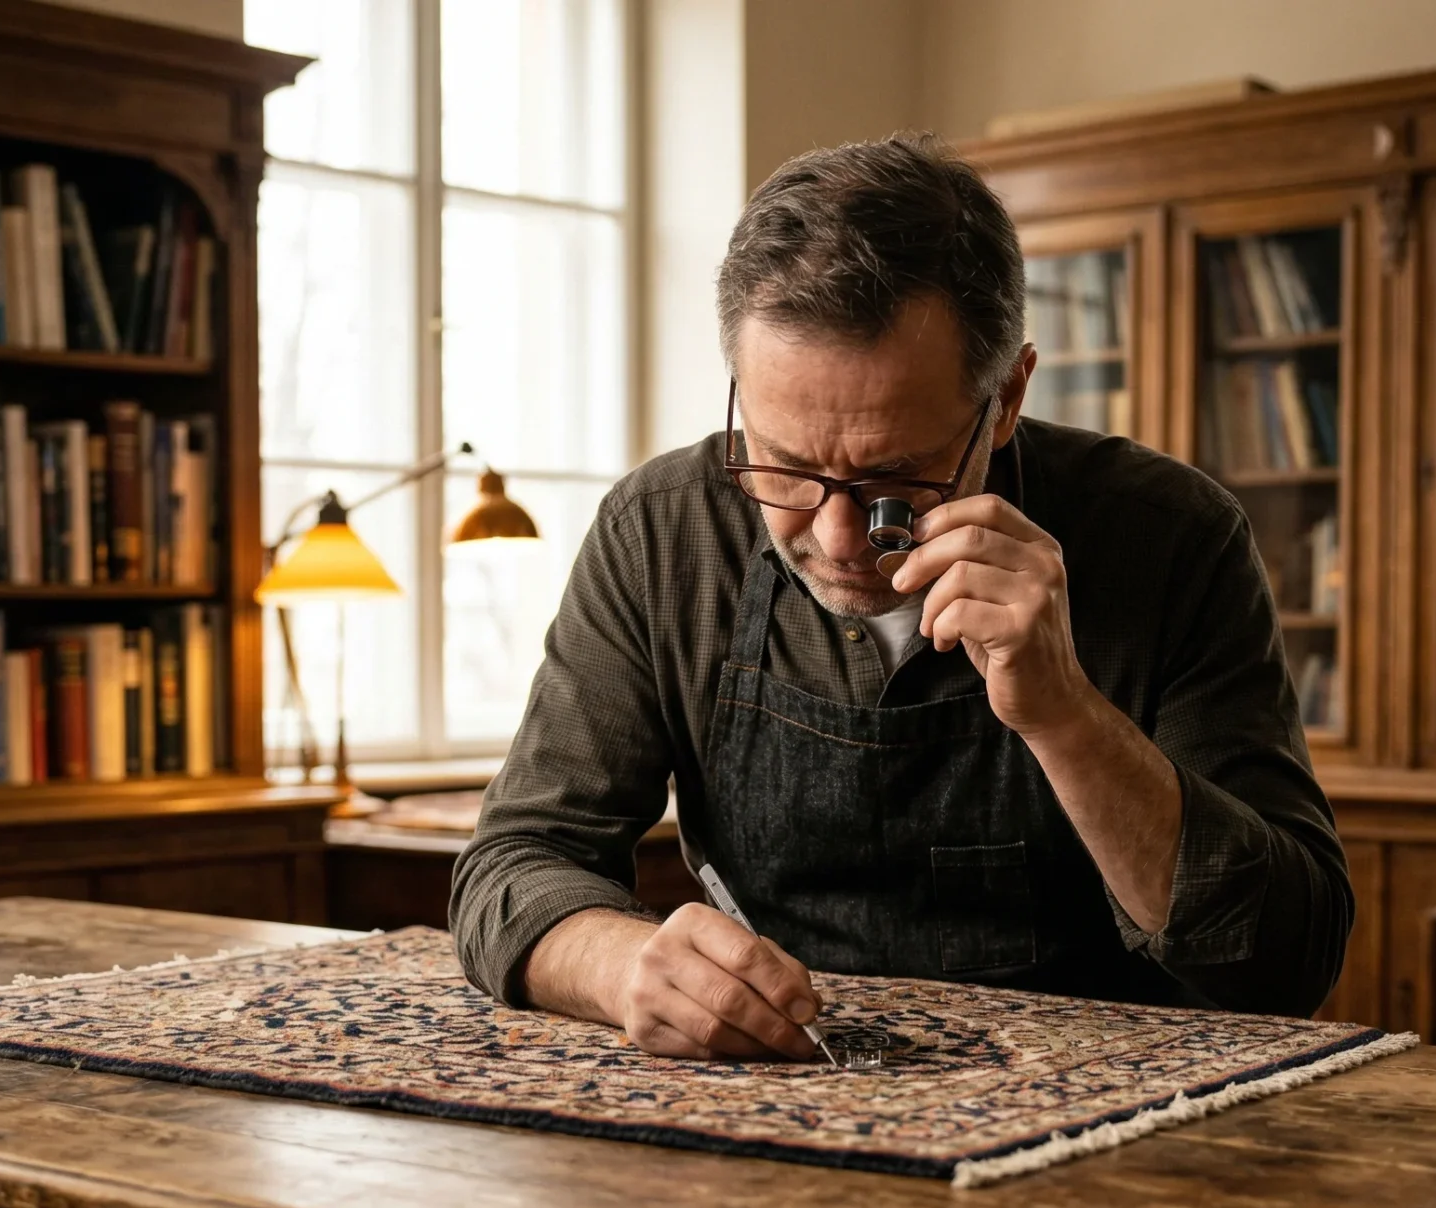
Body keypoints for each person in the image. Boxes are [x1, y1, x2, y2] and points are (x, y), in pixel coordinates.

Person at [450, 134, 1349, 1060]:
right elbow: (509, 869)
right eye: (786, 466)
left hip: (1117, 1117)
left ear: (1005, 399)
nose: (837, 541)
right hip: (781, 1091)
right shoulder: (661, 532)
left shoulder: (1173, 538)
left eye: (898, 478)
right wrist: (623, 963)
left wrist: (1067, 716)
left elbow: (1287, 960)